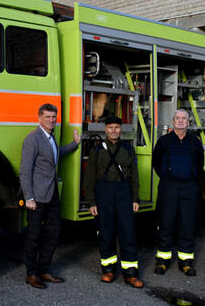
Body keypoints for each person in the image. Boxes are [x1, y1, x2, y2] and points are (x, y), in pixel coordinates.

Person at [19, 103, 81, 289]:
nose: (52, 120)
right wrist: (29, 197)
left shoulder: (50, 137)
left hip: (52, 193)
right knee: (34, 235)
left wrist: (74, 144)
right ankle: (31, 274)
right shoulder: (33, 138)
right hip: (36, 196)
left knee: (53, 232)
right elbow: (25, 170)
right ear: (39, 118)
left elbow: (56, 154)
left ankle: (44, 270)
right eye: (48, 117)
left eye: (54, 117)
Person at [83, 116, 144, 288]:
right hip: (104, 193)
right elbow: (89, 178)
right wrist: (91, 202)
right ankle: (108, 271)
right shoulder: (96, 150)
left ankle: (131, 274)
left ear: (121, 129)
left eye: (116, 127)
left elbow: (134, 176)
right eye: (110, 127)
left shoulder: (128, 149)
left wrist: (135, 198)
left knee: (128, 233)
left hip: (124, 193)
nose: (113, 130)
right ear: (105, 129)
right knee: (106, 233)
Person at [152, 109, 205, 277]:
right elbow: (156, 162)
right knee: (166, 223)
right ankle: (162, 261)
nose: (181, 121)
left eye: (184, 118)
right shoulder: (164, 141)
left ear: (188, 122)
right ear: (173, 121)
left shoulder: (195, 142)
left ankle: (186, 262)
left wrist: (190, 177)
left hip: (190, 187)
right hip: (169, 186)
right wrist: (168, 177)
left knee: (187, 224)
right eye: (178, 118)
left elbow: (200, 163)